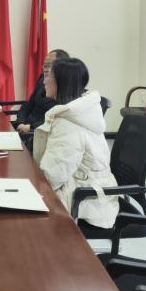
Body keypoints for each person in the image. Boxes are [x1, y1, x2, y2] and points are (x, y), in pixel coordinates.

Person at [33, 58, 119, 229]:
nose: (44, 81)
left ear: (61, 83)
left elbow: (52, 177)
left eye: (49, 76)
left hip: (87, 203)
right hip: (88, 192)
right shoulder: (78, 113)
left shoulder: (68, 123)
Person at [13, 49, 70, 133]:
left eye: (49, 65)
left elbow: (56, 121)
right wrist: (20, 122)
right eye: (44, 65)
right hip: (22, 128)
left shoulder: (67, 91)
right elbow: (27, 105)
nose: (45, 69)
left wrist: (30, 127)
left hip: (38, 133)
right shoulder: (42, 80)